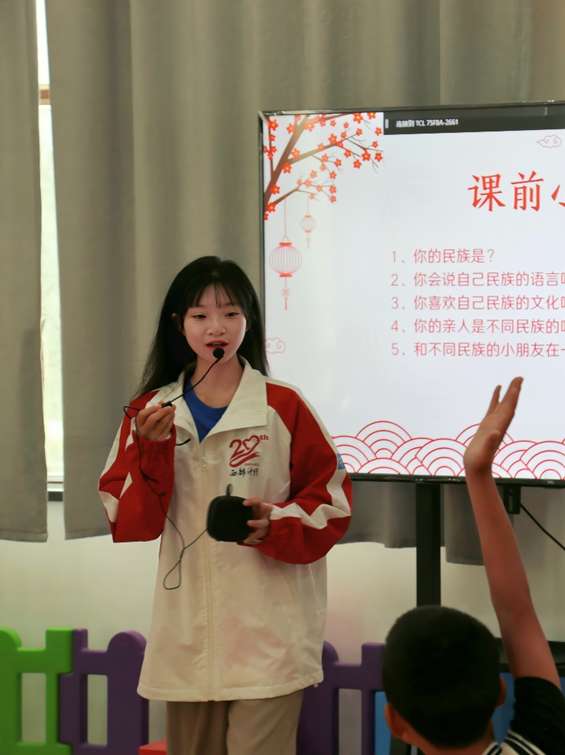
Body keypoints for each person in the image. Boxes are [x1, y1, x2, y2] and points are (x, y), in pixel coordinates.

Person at [98, 256, 352, 755]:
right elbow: (127, 520)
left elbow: (332, 505)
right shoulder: (150, 412)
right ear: (180, 325)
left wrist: (271, 522)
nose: (217, 327)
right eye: (200, 315)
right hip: (187, 636)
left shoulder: (284, 405)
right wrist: (150, 451)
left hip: (270, 635)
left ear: (249, 321)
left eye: (231, 313)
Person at [383, 377, 565, 755]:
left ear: (395, 723)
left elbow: (517, 612)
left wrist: (477, 473)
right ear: (500, 692)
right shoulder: (541, 745)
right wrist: (478, 473)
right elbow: (516, 611)